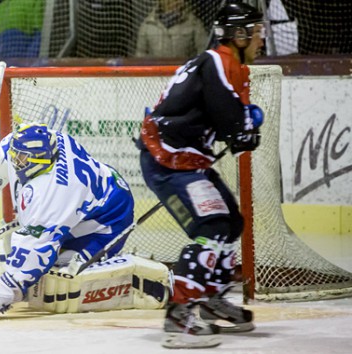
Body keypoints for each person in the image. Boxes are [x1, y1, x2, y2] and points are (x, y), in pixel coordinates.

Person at [136, 1, 265, 349]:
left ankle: (209, 299)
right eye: (255, 32)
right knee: (211, 227)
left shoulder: (221, 62)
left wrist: (241, 125)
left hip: (186, 159)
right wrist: (244, 126)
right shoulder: (219, 61)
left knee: (230, 222)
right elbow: (234, 127)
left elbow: (226, 117)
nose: (261, 40)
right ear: (237, 35)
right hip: (169, 160)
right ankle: (179, 316)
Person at [0, 123, 137, 319]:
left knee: (61, 272)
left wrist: (2, 289)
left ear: (40, 160)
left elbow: (37, 248)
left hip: (108, 220)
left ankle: (129, 278)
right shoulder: (45, 141)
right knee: (34, 242)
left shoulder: (53, 194)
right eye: (16, 155)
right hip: (96, 195)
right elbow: (12, 142)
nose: (15, 160)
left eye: (21, 158)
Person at [135, 0, 208, 59]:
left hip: (184, 73)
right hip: (156, 74)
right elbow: (140, 54)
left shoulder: (194, 23)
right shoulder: (148, 24)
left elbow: (203, 51)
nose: (180, 2)